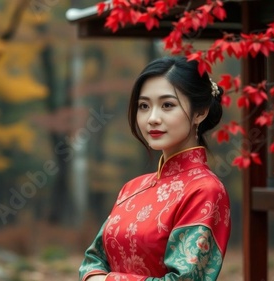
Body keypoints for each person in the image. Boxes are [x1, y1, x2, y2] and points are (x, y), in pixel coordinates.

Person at [79, 56, 231, 281]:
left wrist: (106, 280)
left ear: (200, 112)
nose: (152, 118)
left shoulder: (205, 191)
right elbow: (93, 259)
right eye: (144, 106)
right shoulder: (132, 188)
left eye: (167, 105)